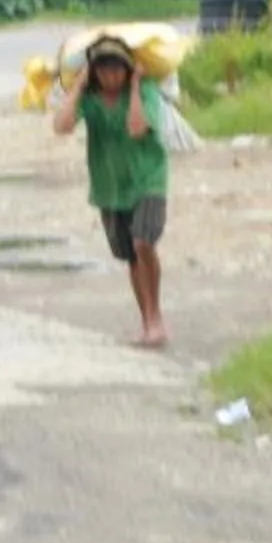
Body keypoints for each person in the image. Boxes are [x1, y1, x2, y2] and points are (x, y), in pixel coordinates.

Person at [49, 35, 171, 349]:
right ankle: (147, 322)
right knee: (130, 256)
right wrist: (78, 86)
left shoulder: (145, 92)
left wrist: (133, 88)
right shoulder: (89, 100)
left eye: (117, 69)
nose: (110, 76)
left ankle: (156, 318)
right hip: (111, 187)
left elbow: (136, 128)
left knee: (144, 243)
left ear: (128, 70)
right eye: (103, 69)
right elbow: (61, 126)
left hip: (148, 181)